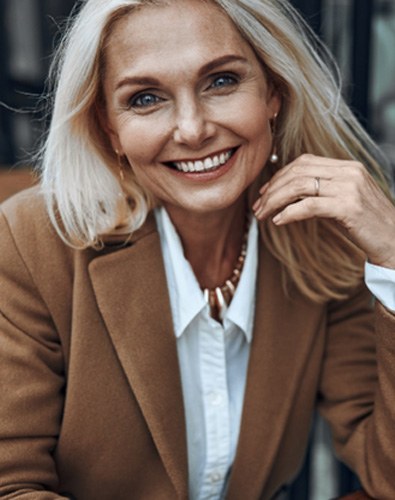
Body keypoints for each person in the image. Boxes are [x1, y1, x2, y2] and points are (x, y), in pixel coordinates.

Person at [1, 0, 395, 498]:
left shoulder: (317, 236)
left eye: (221, 82)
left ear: (274, 91)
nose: (192, 129)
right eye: (145, 98)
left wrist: (393, 261)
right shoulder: (32, 242)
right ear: (109, 128)